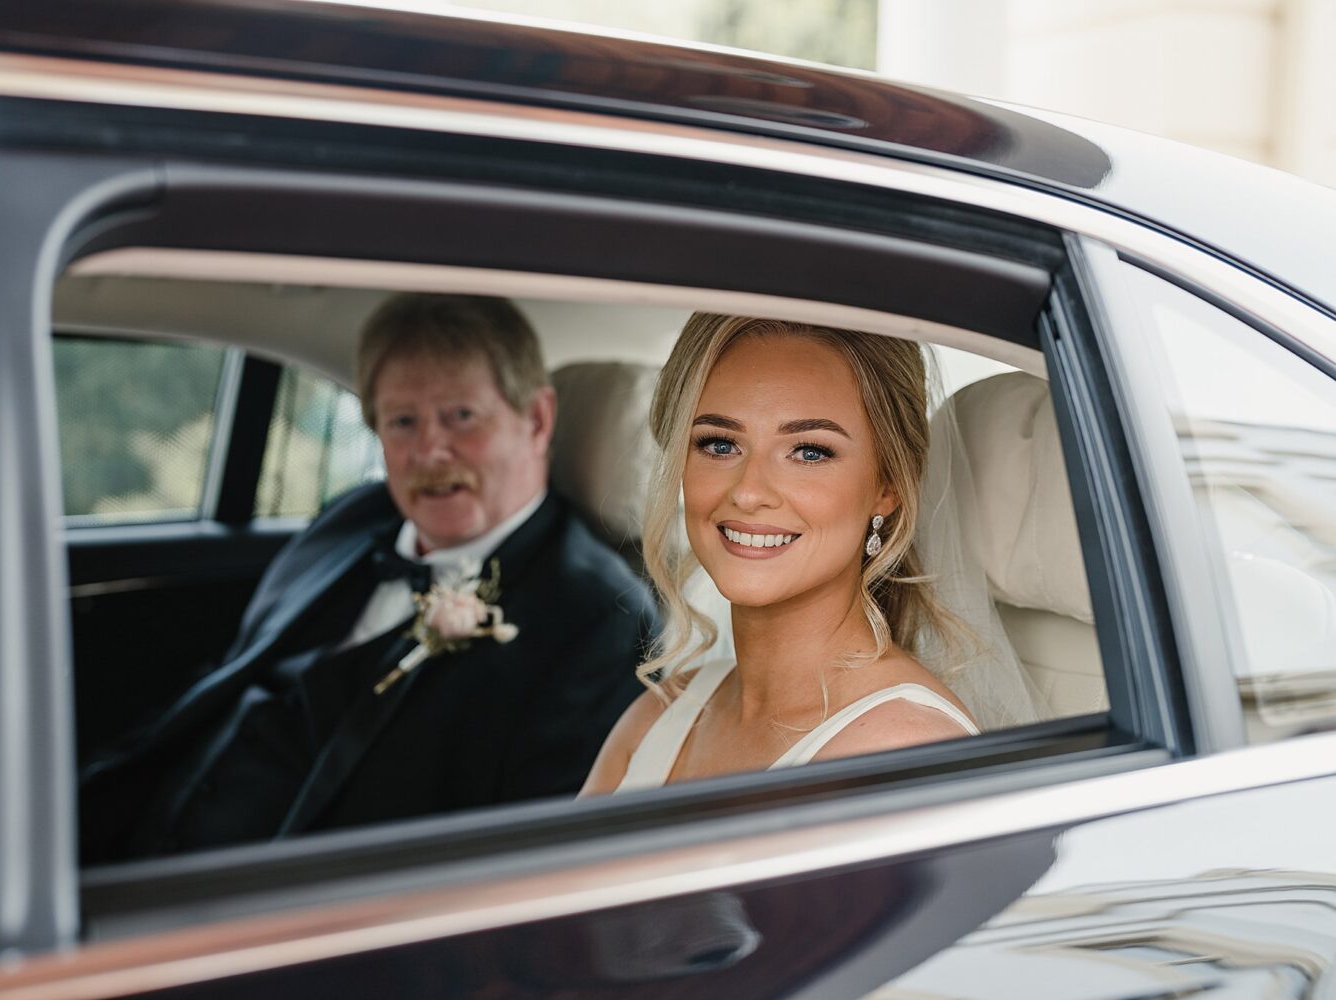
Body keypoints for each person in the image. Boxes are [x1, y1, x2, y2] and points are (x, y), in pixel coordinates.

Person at [81, 293, 658, 860]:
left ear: (536, 419)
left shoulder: (598, 622)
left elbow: (523, 865)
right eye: (402, 421)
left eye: (461, 416)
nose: (429, 451)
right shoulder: (354, 518)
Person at [581, 314, 979, 796]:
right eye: (720, 444)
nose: (748, 493)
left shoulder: (903, 754)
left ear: (889, 485)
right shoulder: (663, 712)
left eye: (809, 452)